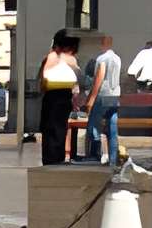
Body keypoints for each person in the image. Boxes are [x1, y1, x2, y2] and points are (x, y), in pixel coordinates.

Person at [38, 29, 81, 166]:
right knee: (60, 129)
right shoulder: (72, 59)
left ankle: (50, 159)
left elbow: (43, 78)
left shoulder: (52, 57)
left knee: (50, 129)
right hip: (65, 96)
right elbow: (78, 79)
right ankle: (58, 158)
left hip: (52, 96)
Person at [83, 31, 123, 168]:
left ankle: (94, 156)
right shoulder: (118, 58)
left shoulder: (101, 59)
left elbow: (99, 79)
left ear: (103, 44)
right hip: (115, 95)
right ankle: (113, 160)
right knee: (112, 128)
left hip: (103, 95)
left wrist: (91, 99)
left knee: (94, 125)